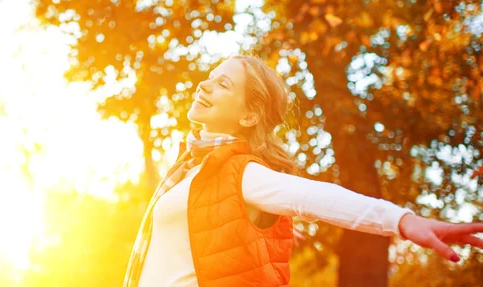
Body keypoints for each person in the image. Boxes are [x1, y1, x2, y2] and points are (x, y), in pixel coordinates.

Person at [123, 55, 483, 287]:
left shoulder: (242, 172)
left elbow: (316, 197)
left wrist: (402, 221)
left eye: (224, 84)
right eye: (211, 76)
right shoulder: (188, 171)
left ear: (249, 116)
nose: (205, 84)